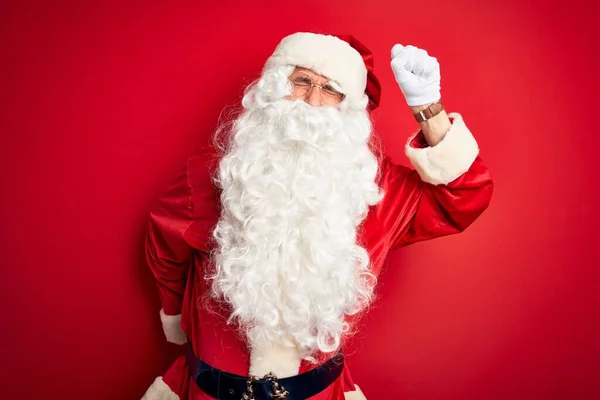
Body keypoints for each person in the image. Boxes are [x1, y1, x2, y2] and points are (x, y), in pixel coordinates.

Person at [141, 32, 493, 400]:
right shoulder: (218, 174)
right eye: (301, 81)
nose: (311, 101)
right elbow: (164, 246)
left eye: (330, 90)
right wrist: (175, 313)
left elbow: (466, 196)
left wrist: (428, 109)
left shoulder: (372, 189)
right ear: (274, 88)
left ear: (348, 108)